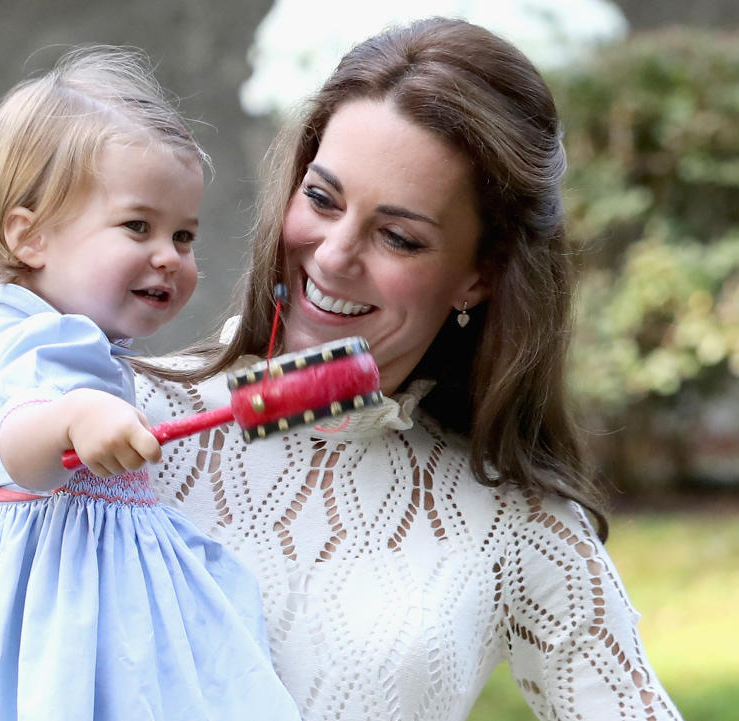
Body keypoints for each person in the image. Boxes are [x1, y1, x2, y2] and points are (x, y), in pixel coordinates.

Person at [133, 18, 685, 721]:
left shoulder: (513, 520)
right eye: (323, 199)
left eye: (398, 235)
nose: (333, 255)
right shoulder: (122, 417)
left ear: (478, 278)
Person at [0, 47, 300, 721]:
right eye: (139, 225)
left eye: (185, 235)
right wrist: (79, 415)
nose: (169, 255)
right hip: (58, 607)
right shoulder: (61, 342)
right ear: (32, 237)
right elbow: (24, 445)